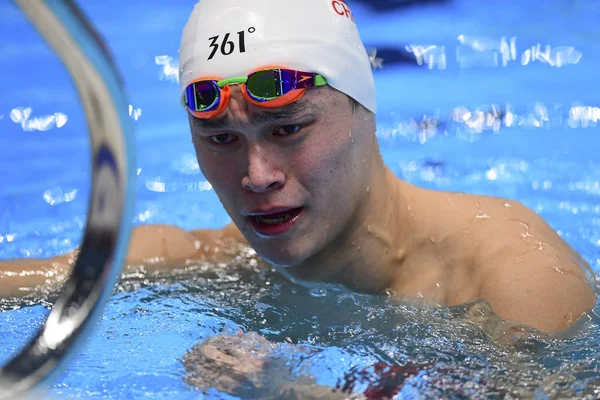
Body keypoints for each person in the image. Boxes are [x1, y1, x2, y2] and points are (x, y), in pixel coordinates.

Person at [0, 0, 595, 335]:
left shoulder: (513, 279)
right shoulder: (224, 265)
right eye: (220, 137)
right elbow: (50, 279)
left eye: (288, 129)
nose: (256, 175)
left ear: (366, 109)